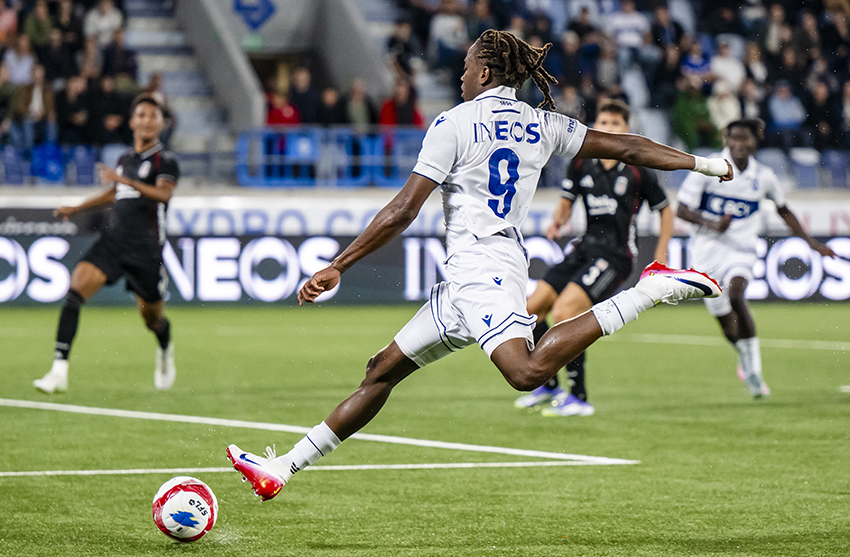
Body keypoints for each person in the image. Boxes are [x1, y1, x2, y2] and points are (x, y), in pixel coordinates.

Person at [226, 30, 730, 501]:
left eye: (467, 67)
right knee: (380, 370)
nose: (461, 76)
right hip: (476, 270)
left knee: (526, 371)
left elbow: (404, 209)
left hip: (482, 267)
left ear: (485, 73)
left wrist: (339, 264)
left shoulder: (454, 123)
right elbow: (629, 146)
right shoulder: (543, 122)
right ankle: (284, 467)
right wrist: (703, 163)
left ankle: (649, 290)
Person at [514, 99, 674, 417]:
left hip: (616, 256)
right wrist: (558, 220)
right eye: (603, 123)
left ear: (626, 131)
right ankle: (549, 387)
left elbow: (665, 210)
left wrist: (661, 252)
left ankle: (579, 397)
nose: (608, 128)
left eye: (615, 124)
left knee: (565, 312)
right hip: (584, 248)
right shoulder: (581, 162)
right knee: (530, 310)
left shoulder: (638, 170)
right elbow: (566, 201)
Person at [676, 118, 835, 399]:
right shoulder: (708, 168)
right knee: (726, 324)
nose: (739, 144)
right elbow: (682, 210)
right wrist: (712, 224)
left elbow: (784, 210)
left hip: (742, 250)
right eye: (733, 139)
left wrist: (810, 243)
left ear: (754, 141)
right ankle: (744, 356)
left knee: (737, 295)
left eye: (745, 139)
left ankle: (754, 375)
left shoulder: (764, 177)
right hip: (707, 252)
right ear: (726, 140)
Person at [33, 94, 180, 394]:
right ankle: (59, 369)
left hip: (146, 250)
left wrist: (125, 182)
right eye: (142, 115)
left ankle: (165, 349)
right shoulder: (125, 159)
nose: (147, 120)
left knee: (152, 320)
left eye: (153, 115)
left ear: (161, 123)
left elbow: (164, 195)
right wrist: (76, 208)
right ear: (132, 122)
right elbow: (115, 194)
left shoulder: (166, 160)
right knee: (75, 291)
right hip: (113, 241)